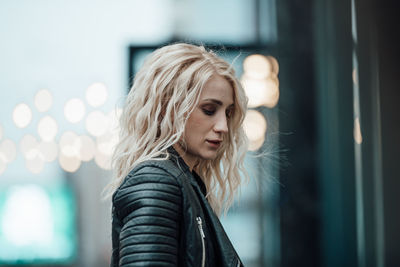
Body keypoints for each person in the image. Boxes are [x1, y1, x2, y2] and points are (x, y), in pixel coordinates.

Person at [105, 43, 249, 267]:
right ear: (167, 108)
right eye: (209, 110)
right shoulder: (156, 182)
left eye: (228, 113)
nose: (224, 126)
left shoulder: (182, 181)